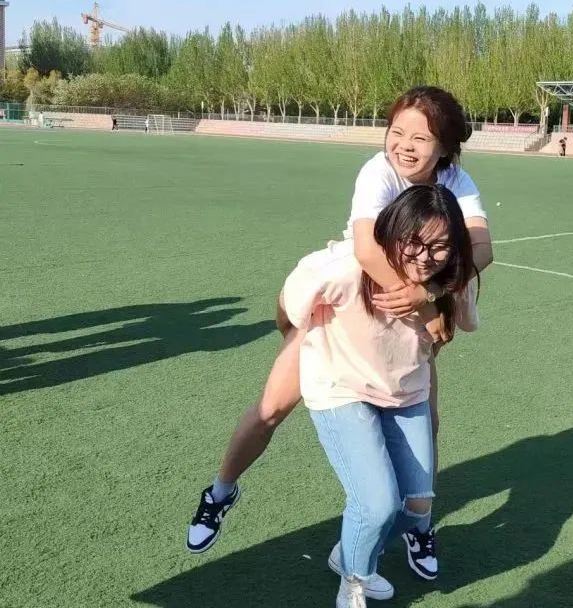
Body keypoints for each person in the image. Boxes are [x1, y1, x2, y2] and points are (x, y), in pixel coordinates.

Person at [186, 86, 494, 580]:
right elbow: (367, 251)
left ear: (445, 146)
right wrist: (421, 301)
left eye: (421, 138)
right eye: (397, 132)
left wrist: (432, 293)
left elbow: (482, 250)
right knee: (270, 410)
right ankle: (220, 492)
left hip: (409, 313)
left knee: (427, 422)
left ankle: (419, 525)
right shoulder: (378, 172)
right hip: (348, 305)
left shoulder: (456, 180)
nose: (405, 145)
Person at [289, 185, 478, 608]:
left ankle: (348, 552)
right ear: (392, 232)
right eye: (415, 241)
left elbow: (463, 323)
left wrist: (433, 296)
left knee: (416, 507)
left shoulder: (448, 279)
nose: (425, 256)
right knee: (376, 504)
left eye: (440, 245)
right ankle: (352, 589)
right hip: (340, 388)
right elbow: (291, 304)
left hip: (405, 392)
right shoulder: (344, 269)